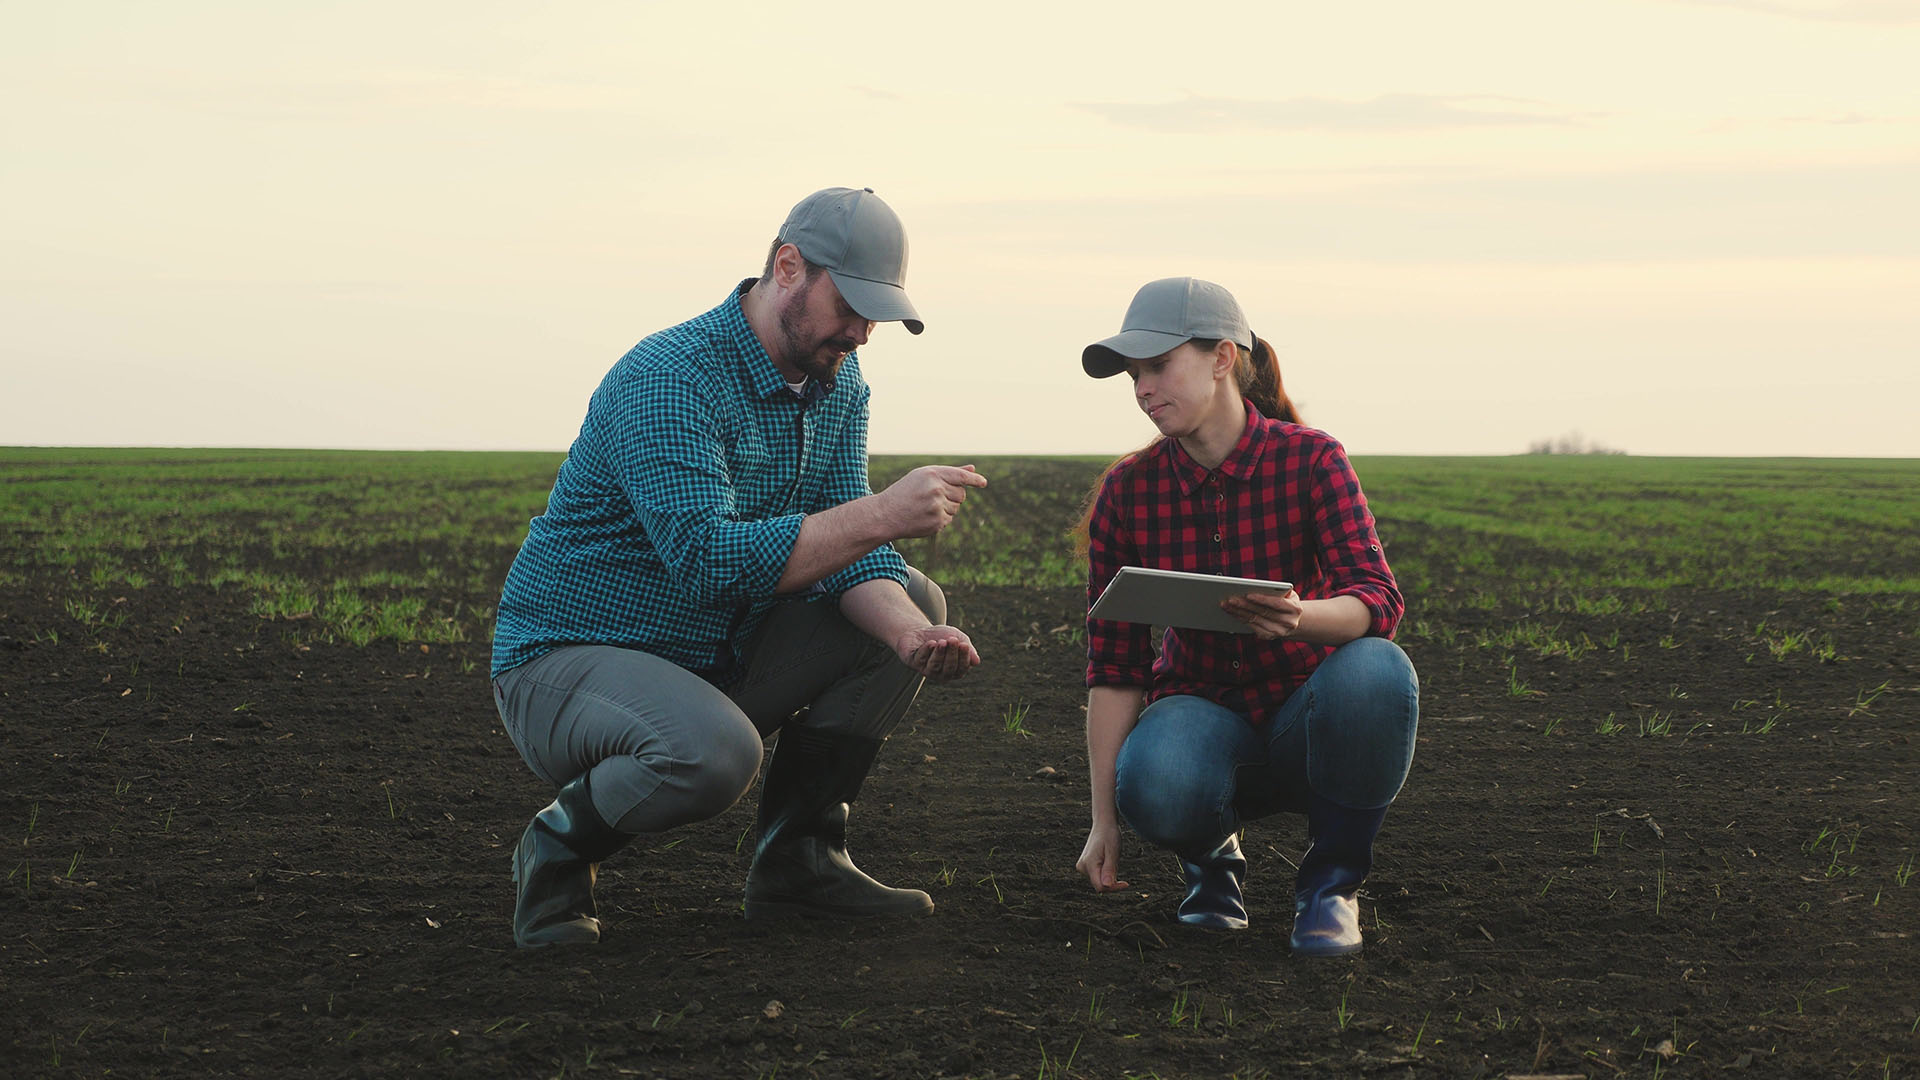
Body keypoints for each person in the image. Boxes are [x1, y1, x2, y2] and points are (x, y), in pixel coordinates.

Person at [490, 187, 988, 948]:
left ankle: (799, 862)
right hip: (568, 663)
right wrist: (883, 513)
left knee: (913, 601)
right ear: (788, 267)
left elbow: (849, 550)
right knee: (716, 753)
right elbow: (706, 561)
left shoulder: (837, 383)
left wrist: (910, 640)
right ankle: (558, 847)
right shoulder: (671, 377)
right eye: (849, 305)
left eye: (875, 315)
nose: (861, 332)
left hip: (706, 657)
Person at [1071, 277, 1418, 956]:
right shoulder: (1129, 492)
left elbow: (1375, 599)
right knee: (1158, 775)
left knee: (1379, 671)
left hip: (1307, 720)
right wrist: (1102, 823)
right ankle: (1211, 866)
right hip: (1198, 718)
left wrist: (1298, 619)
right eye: (1134, 374)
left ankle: (1329, 888)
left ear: (1223, 357)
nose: (1143, 388)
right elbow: (1115, 668)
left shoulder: (1312, 460)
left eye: (1159, 366)